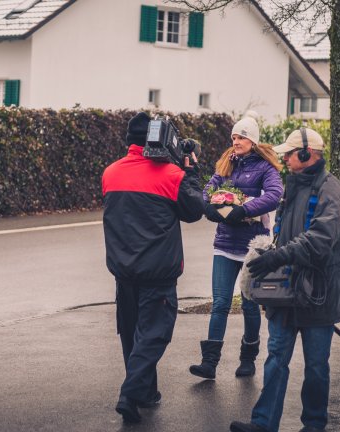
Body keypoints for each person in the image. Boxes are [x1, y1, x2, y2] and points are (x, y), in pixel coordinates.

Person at [229, 128, 340, 432]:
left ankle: (313, 425)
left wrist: (279, 257)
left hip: (319, 294)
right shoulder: (292, 186)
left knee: (315, 367)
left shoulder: (331, 190)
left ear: (307, 155)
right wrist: (267, 254)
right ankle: (263, 424)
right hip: (286, 293)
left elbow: (321, 239)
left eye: (289, 153)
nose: (283, 158)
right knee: (275, 359)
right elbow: (286, 233)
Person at [102, 112, 204, 424]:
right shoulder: (171, 175)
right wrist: (193, 171)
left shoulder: (111, 173)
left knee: (133, 334)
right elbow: (195, 210)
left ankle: (146, 393)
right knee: (154, 333)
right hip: (158, 272)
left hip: (123, 271)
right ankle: (130, 393)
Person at [189, 116, 283, 380]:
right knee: (220, 303)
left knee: (250, 305)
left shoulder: (266, 168)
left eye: (240, 137)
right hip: (225, 243)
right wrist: (210, 205)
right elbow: (210, 188)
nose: (235, 141)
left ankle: (248, 358)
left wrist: (243, 209)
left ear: (252, 141)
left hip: (252, 245)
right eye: (233, 137)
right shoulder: (227, 164)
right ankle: (209, 363)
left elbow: (274, 195)